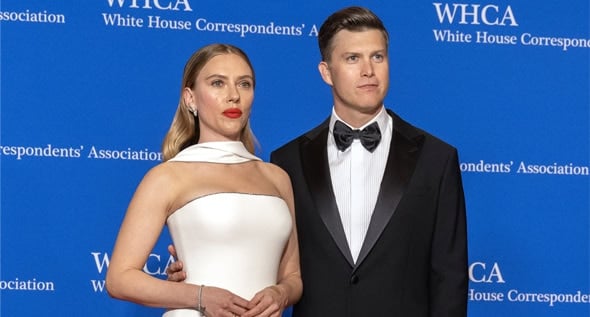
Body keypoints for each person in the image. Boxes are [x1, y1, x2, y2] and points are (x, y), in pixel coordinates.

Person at [169, 6, 468, 316]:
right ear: (326, 72)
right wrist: (198, 269)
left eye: (377, 57)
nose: (368, 70)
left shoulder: (436, 158)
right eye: (353, 58)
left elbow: (450, 278)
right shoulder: (287, 161)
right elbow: (266, 255)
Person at [106, 43, 302, 317]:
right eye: (217, 83)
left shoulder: (277, 177)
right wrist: (200, 296)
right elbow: (119, 279)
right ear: (190, 98)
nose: (233, 95)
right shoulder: (168, 176)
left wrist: (280, 294)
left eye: (244, 84)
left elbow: (293, 276)